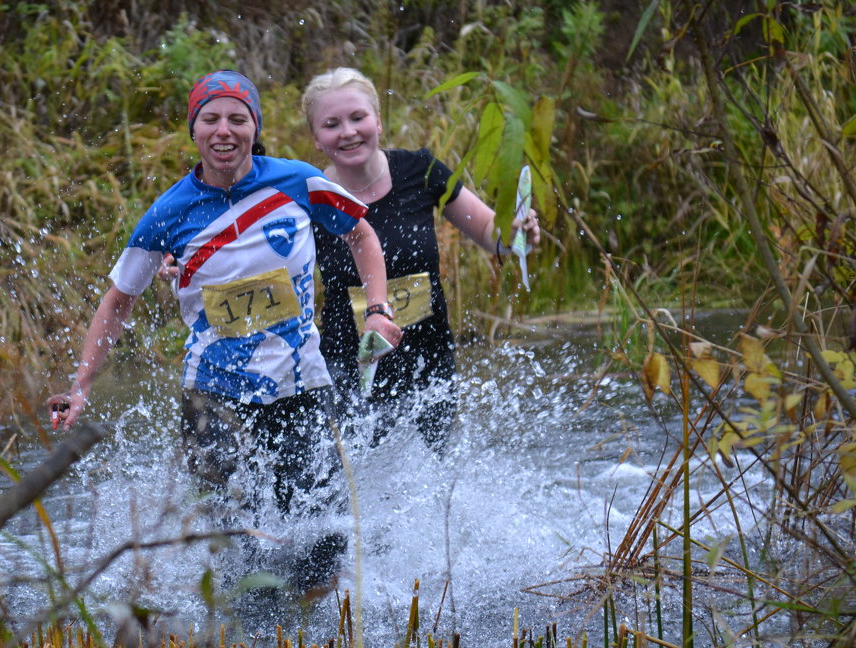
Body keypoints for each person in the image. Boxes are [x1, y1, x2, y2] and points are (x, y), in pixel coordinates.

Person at [47, 70, 402, 591]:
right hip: (212, 400)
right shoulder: (169, 213)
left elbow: (361, 234)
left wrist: (377, 308)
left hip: (300, 388)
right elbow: (118, 300)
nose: (224, 130)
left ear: (254, 127)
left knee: (321, 549)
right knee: (239, 556)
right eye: (210, 119)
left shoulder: (297, 182)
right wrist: (80, 384)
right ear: (194, 131)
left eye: (238, 119)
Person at [301, 67, 541, 452]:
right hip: (350, 365)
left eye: (358, 118)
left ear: (378, 121)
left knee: (430, 479)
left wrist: (517, 234)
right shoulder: (309, 195)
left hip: (428, 360)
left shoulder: (420, 170)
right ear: (316, 138)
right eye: (332, 124)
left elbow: (489, 234)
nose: (347, 132)